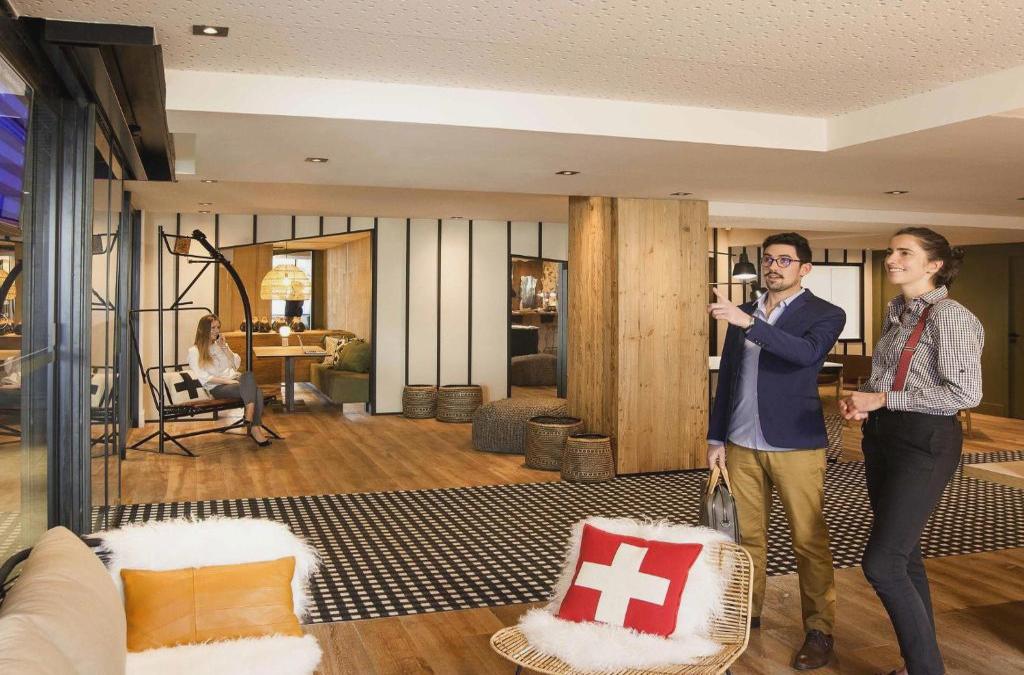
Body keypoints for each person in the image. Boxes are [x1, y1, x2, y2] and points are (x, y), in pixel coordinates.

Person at [839, 228, 982, 675]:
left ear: (934, 265)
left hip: (925, 440)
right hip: (883, 437)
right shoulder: (895, 311)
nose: (891, 259)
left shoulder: (950, 316)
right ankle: (920, 665)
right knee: (906, 555)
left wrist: (883, 398)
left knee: (883, 564)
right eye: (891, 251)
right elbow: (888, 376)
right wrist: (865, 400)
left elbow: (965, 393)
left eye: (905, 252)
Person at [707, 232, 846, 671]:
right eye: (768, 259)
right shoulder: (745, 310)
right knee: (745, 538)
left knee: (808, 540)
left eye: (784, 260)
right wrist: (716, 437)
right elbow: (729, 376)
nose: (773, 266)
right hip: (740, 442)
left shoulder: (826, 313)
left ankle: (819, 630)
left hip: (796, 445)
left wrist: (749, 324)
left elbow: (805, 354)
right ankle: (744, 615)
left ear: (805, 269)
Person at [187, 313, 271, 447]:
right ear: (203, 330)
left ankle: (249, 416)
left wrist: (225, 347)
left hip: (236, 381)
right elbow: (204, 378)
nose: (216, 331)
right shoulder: (194, 351)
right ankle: (254, 427)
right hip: (218, 387)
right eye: (213, 328)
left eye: (218, 327)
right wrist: (229, 382)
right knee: (257, 391)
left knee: (248, 375)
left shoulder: (220, 345)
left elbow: (235, 364)